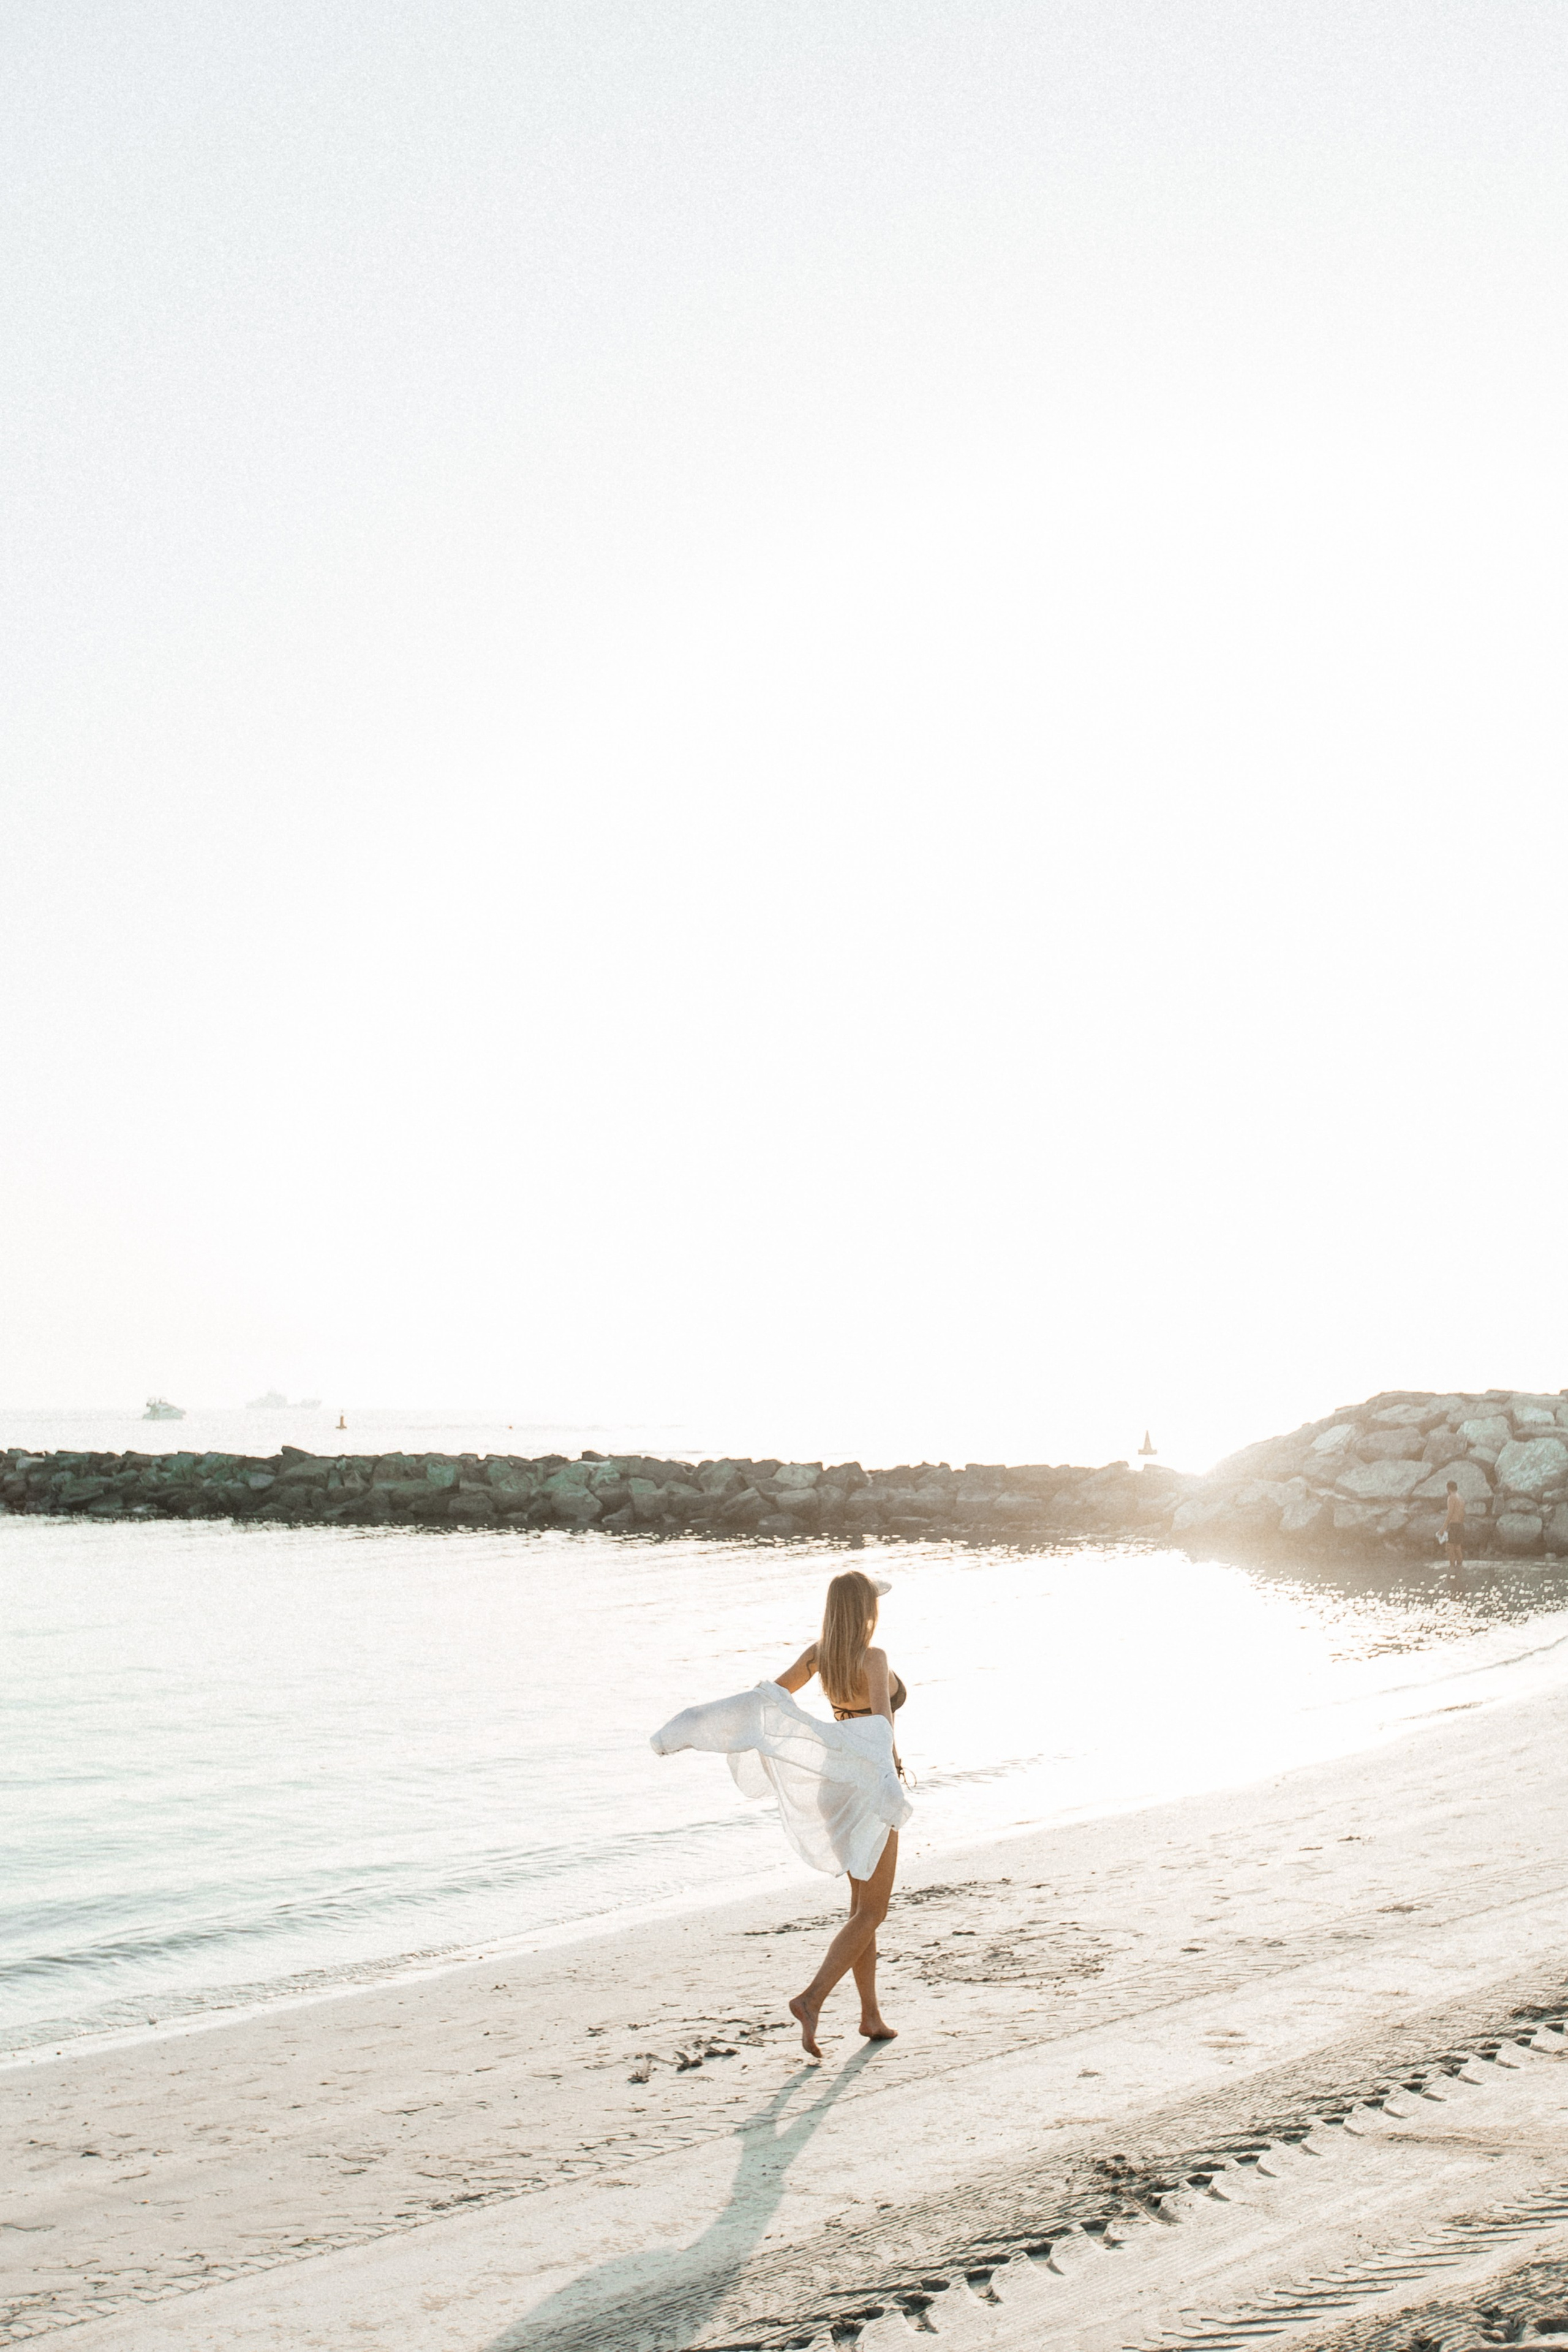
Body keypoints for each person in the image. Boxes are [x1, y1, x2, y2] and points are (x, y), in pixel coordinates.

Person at [650, 1567, 911, 2060]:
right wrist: (892, 1778)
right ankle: (811, 2000)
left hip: (833, 1787)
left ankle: (870, 2015)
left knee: (860, 1911)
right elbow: (882, 1723)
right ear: (867, 1611)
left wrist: (697, 1723)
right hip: (868, 1785)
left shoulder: (819, 1656)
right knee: (874, 1910)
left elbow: (766, 1700)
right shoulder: (874, 1657)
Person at [1443, 1479, 1466, 1569]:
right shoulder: (1461, 1498)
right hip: (1460, 1525)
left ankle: (1452, 1568)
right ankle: (1460, 1567)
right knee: (1457, 1547)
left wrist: (1444, 1527)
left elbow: (1450, 1513)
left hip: (1454, 1525)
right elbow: (1463, 1513)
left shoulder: (1451, 1498)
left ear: (1448, 1489)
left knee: (1450, 1547)